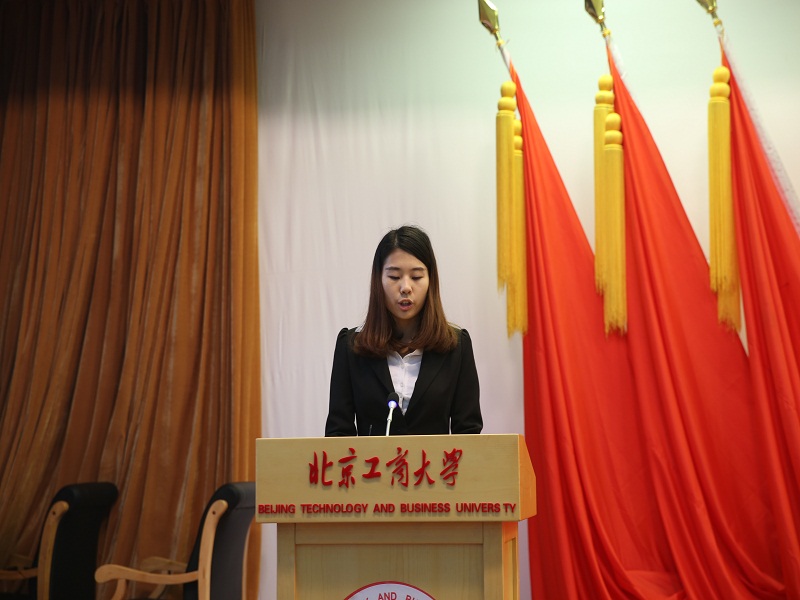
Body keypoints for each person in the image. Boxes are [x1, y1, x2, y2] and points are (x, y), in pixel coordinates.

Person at [325, 225, 482, 436]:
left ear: (431, 281)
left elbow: (469, 433)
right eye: (394, 277)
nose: (406, 287)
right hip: (372, 460)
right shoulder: (351, 346)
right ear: (378, 280)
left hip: (434, 460)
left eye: (416, 277)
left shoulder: (456, 345)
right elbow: (338, 434)